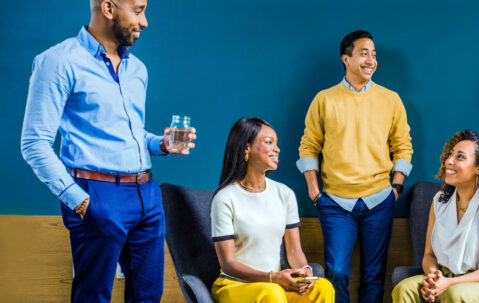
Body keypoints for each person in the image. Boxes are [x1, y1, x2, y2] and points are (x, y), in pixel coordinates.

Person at [20, 1, 197, 302]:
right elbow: (34, 143)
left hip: (147, 195)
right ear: (108, 8)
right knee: (94, 297)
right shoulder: (58, 62)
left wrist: (160, 144)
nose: (145, 22)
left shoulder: (137, 69)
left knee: (147, 296)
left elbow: (127, 133)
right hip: (96, 194)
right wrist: (80, 202)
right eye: (138, 10)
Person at [296, 30, 414, 303]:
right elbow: (308, 146)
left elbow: (403, 146)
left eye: (374, 54)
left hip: (380, 199)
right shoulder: (324, 99)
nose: (371, 60)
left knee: (373, 275)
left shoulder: (391, 99)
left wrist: (396, 187)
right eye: (364, 53)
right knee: (336, 270)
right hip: (335, 201)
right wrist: (315, 191)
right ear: (346, 59)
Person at [392, 129, 479, 302]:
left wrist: (449, 283)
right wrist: (435, 279)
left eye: (460, 157)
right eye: (450, 155)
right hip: (446, 277)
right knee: (404, 289)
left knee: (455, 295)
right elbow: (428, 256)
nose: (449, 161)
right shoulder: (439, 202)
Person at [210, 118, 334, 303]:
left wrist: (305, 271)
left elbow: (294, 250)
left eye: (276, 143)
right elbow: (228, 264)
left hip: (274, 286)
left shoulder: (285, 194)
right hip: (235, 285)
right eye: (269, 142)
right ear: (246, 148)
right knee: (271, 294)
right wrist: (273, 278)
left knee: (323, 288)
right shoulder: (225, 198)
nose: (277, 149)